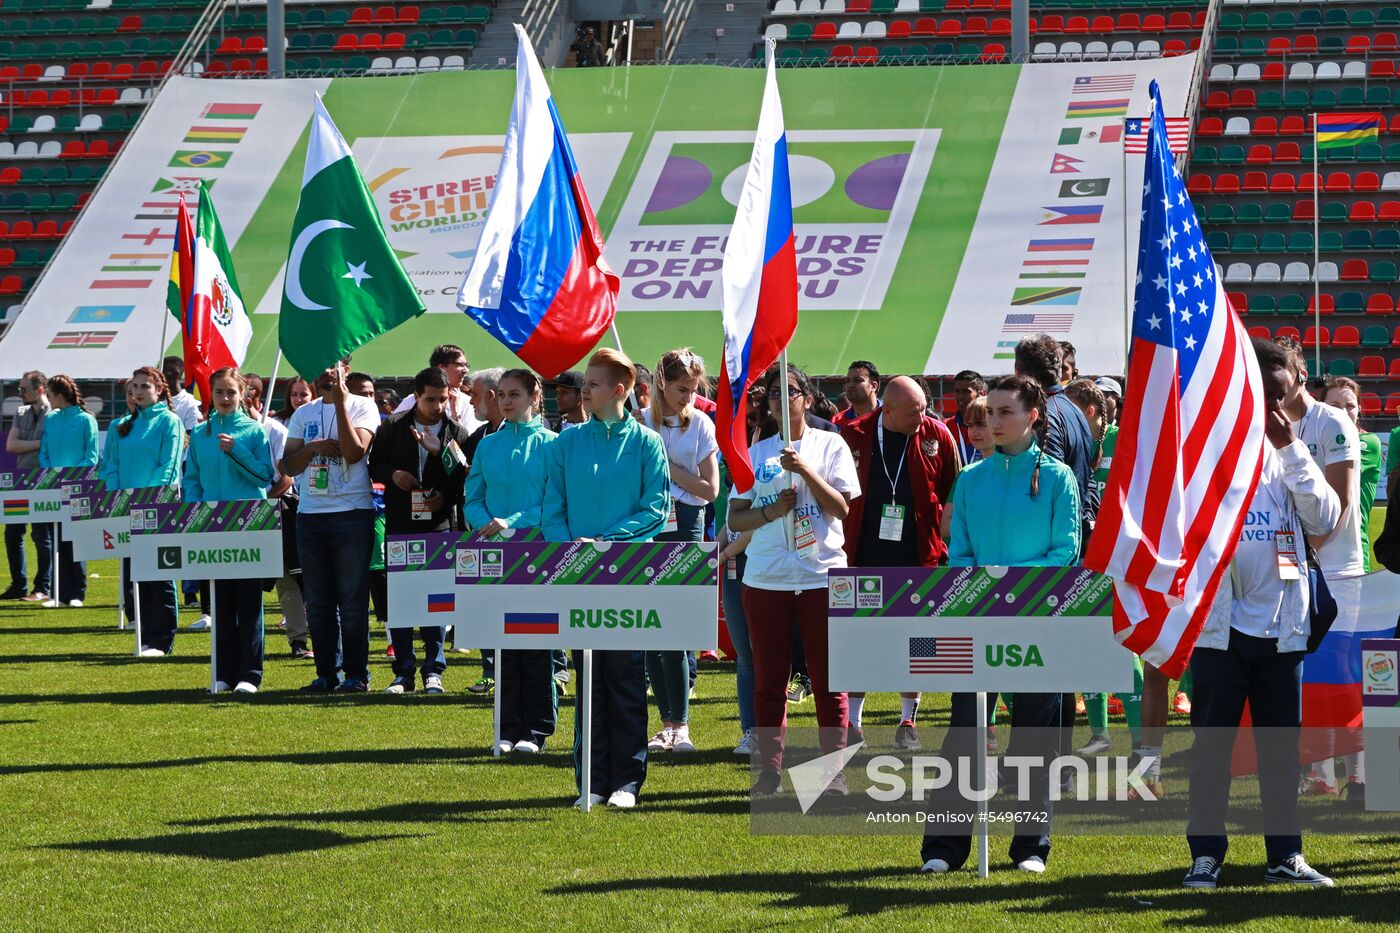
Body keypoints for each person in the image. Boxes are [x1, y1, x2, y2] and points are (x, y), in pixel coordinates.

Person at [1181, 337, 1339, 890]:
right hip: (1219, 628)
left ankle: (1284, 855)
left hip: (1282, 626)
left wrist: (1292, 450)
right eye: (1261, 397)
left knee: (1279, 754)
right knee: (1211, 751)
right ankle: (1206, 853)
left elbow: (1325, 516)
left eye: (1279, 397)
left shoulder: (1291, 455)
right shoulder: (1207, 451)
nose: (1270, 410)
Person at [921, 375, 1080, 876]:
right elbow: (960, 553)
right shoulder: (970, 480)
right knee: (964, 732)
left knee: (1035, 736)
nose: (994, 421)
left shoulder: (1058, 479)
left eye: (1006, 412)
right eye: (991, 412)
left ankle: (1031, 846)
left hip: (1038, 623)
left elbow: (1065, 551)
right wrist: (982, 591)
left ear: (1033, 415)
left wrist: (1017, 591)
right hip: (979, 621)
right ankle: (943, 850)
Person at [542, 348, 669, 808]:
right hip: (576, 571)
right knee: (588, 672)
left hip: (627, 573)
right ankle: (591, 780)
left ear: (620, 390)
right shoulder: (566, 442)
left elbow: (655, 510)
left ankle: (627, 781)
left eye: (593, 384)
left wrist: (608, 542)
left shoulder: (647, 443)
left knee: (625, 676)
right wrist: (569, 546)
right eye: (585, 384)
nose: (585, 390)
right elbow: (551, 506)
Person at [729, 363, 860, 797]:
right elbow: (735, 517)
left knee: (829, 680)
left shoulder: (831, 445)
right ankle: (769, 771)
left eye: (787, 391)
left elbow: (841, 508)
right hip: (767, 579)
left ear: (806, 396)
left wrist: (805, 470)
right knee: (769, 680)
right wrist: (771, 512)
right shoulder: (755, 450)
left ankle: (832, 773)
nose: (778, 400)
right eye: (770, 393)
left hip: (822, 576)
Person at [841, 376, 958, 752]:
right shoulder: (853, 434)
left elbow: (952, 489)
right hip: (862, 557)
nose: (920, 418)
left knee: (917, 645)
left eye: (924, 409)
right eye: (913, 413)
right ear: (885, 410)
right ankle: (853, 722)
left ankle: (908, 719)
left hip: (918, 558)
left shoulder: (937, 435)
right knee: (859, 642)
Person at [465, 369, 560, 750]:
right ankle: (506, 728)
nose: (506, 401)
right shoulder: (488, 445)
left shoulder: (554, 445)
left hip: (538, 550)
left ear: (535, 396)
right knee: (502, 641)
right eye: (501, 394)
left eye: (514, 394)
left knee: (537, 643)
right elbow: (472, 495)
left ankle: (536, 730)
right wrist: (484, 524)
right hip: (495, 553)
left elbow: (554, 503)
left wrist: (513, 522)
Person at [369, 367, 473, 695]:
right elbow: (374, 465)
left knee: (436, 601)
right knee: (401, 601)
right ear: (416, 396)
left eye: (443, 399)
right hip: (400, 523)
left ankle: (434, 670)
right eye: (431, 399)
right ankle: (403, 672)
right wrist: (394, 474)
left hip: (439, 525)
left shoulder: (456, 432)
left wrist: (445, 491)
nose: (437, 406)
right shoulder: (392, 428)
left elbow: (464, 479)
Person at [280, 360, 380, 692]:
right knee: (319, 602)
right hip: (310, 516)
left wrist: (340, 402)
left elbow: (354, 452)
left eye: (332, 365)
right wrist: (311, 448)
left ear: (346, 367)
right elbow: (288, 465)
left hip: (352, 513)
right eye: (319, 365)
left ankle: (355, 675)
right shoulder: (303, 414)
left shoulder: (363, 405)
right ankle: (326, 673)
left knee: (352, 601)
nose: (325, 372)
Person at [638, 349, 720, 754]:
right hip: (648, 526)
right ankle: (665, 723)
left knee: (677, 630)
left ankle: (681, 725)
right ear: (661, 385)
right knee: (653, 632)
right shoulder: (642, 423)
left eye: (693, 389)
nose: (688, 396)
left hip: (687, 524)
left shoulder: (701, 424)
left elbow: (710, 490)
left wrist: (671, 470)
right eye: (681, 389)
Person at [1064, 378, 1144, 758]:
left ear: (1091, 411)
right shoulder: (1072, 445)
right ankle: (1100, 734)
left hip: (1117, 557)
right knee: (1085, 647)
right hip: (1081, 556)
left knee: (1122, 644)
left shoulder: (1124, 439)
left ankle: (1141, 738)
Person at [182, 368, 274, 694]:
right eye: (219, 392)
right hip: (212, 527)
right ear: (211, 394)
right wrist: (197, 511)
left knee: (249, 604)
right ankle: (223, 673)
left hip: (249, 524)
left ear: (243, 394)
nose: (224, 398)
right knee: (220, 604)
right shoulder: (200, 434)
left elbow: (265, 477)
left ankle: (250, 675)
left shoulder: (254, 432)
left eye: (231, 392)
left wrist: (236, 450)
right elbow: (191, 479)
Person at [101, 366, 184, 657]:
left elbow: (169, 467)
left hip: (159, 507)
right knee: (138, 575)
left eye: (145, 386)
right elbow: (109, 465)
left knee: (160, 574)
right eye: (134, 386)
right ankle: (145, 635)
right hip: (126, 509)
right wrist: (118, 497)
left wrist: (148, 500)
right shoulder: (120, 425)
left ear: (159, 389)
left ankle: (161, 640)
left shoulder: (170, 422)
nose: (138, 391)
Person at [36, 374, 97, 608]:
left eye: (50, 396)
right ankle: (59, 593)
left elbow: (90, 456)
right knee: (57, 538)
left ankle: (77, 593)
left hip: (79, 488)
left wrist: (68, 476)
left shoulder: (85, 419)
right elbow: (44, 451)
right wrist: (49, 473)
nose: (49, 400)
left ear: (59, 396)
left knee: (76, 541)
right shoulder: (51, 419)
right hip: (53, 488)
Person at [271, 377, 314, 659]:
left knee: (307, 580)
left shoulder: (321, 421)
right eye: (295, 394)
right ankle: (298, 640)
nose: (300, 399)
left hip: (302, 508)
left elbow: (287, 476)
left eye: (305, 394)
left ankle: (320, 636)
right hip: (279, 510)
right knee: (285, 580)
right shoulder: (276, 423)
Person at [4, 371, 51, 601]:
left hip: (43, 481)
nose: (20, 393)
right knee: (12, 533)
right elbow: (11, 446)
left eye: (23, 389)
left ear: (39, 389)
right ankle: (18, 585)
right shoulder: (20, 412)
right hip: (20, 481)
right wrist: (40, 443)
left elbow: (49, 447)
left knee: (42, 536)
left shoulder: (53, 414)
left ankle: (42, 587)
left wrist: (29, 444)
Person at [393, 344, 482, 431]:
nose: (466, 370)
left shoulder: (468, 403)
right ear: (441, 367)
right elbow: (392, 429)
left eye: (466, 365)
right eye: (459, 364)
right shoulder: (411, 401)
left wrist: (455, 413)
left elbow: (469, 441)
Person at [945, 369, 987, 467]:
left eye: (966, 391)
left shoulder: (992, 425)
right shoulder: (946, 426)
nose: (960, 396)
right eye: (957, 391)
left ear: (981, 394)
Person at [833, 361, 880, 427]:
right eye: (848, 381)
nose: (850, 385)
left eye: (858, 380)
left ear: (874, 386)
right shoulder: (837, 421)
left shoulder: (890, 416)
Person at [162, 356, 203, 431]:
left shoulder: (189, 403)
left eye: (162, 373)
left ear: (175, 374)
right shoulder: (154, 399)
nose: (158, 377)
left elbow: (191, 433)